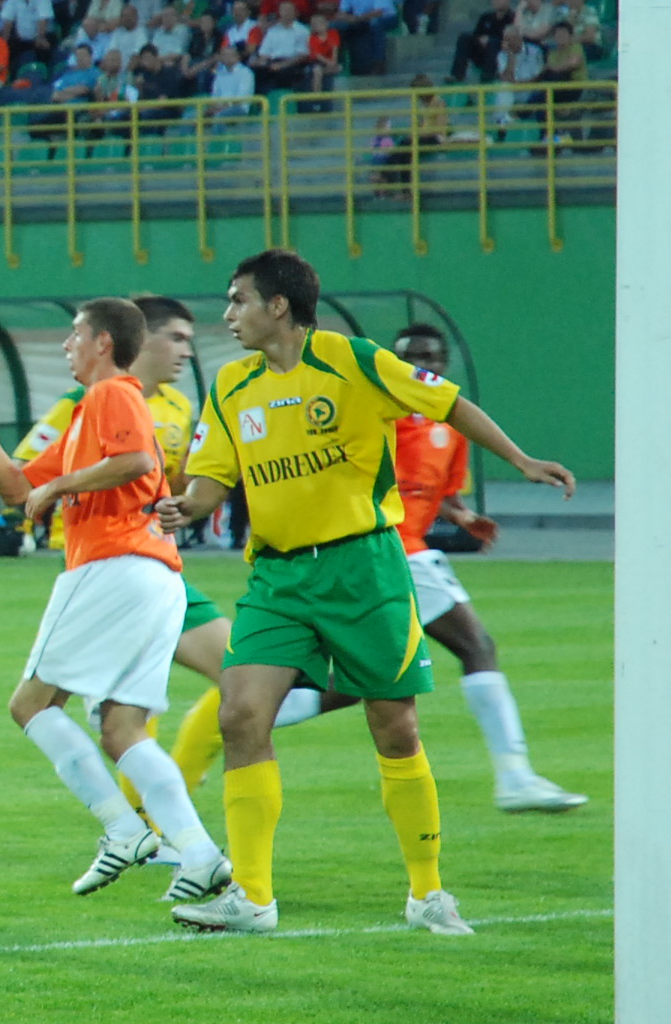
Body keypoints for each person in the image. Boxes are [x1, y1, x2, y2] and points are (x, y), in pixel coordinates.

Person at [159, 250, 576, 936]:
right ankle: (253, 897)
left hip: (365, 570)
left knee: (395, 725)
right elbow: (211, 480)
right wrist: (187, 507)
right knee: (240, 715)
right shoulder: (231, 385)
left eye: (238, 300)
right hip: (278, 578)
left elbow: (448, 402)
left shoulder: (353, 360)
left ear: (278, 306)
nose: (227, 315)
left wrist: (520, 460)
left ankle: (428, 892)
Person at [240, 324, 587, 814]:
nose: (424, 365)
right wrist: (521, 461)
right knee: (475, 647)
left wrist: (461, 516)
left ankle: (250, 714)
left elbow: (439, 491)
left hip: (409, 550)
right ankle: (515, 777)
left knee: (369, 680)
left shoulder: (447, 426)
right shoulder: (378, 408)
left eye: (431, 357)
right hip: (386, 550)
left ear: (444, 363)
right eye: (412, 357)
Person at [0, 300, 231, 900]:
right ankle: (200, 854)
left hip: (112, 566)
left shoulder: (112, 393)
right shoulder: (88, 411)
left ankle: (122, 829)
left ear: (103, 342)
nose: (66, 345)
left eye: (74, 334)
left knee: (30, 705)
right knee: (122, 728)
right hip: (155, 576)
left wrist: (61, 485)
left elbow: (134, 460)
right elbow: (15, 487)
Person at [15, 296, 232, 804]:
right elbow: (23, 477)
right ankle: (150, 821)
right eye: (176, 338)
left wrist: (181, 505)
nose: (187, 352)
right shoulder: (84, 400)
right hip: (109, 565)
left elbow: (163, 481)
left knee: (239, 677)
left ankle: (153, 815)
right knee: (121, 716)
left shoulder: (179, 407)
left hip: (154, 567)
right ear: (141, 338)